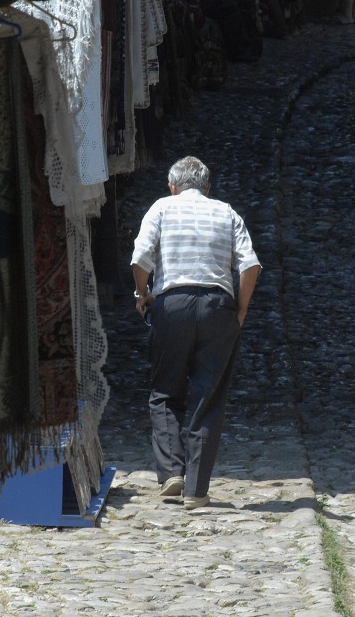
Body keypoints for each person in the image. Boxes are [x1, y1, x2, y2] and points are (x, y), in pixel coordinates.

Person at [130, 156, 261, 510]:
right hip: (218, 307)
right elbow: (250, 265)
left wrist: (143, 295)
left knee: (163, 391)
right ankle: (195, 489)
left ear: (172, 186)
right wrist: (242, 309)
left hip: (171, 305)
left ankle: (171, 470)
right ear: (207, 187)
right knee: (209, 397)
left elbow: (140, 259)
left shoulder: (161, 208)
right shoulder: (226, 212)